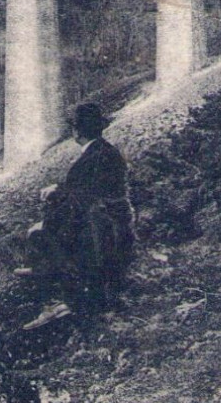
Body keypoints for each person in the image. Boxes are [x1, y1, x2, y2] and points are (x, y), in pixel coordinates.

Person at [17, 101, 136, 327]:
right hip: (119, 222)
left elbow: (77, 202)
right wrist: (60, 190)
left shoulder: (86, 160)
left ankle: (56, 302)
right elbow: (90, 189)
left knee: (39, 236)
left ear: (77, 132)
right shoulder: (108, 151)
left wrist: (46, 221)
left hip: (98, 228)